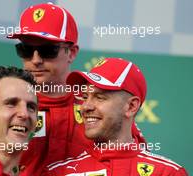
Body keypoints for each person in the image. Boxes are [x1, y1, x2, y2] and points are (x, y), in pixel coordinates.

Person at [0, 3, 146, 175]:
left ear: (72, 53)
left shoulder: (95, 112)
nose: (35, 60)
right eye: (25, 49)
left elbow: (134, 164)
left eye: (47, 50)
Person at [45, 58, 188, 176]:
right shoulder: (57, 173)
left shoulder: (168, 173)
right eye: (84, 97)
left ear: (131, 107)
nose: (85, 106)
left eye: (99, 97)